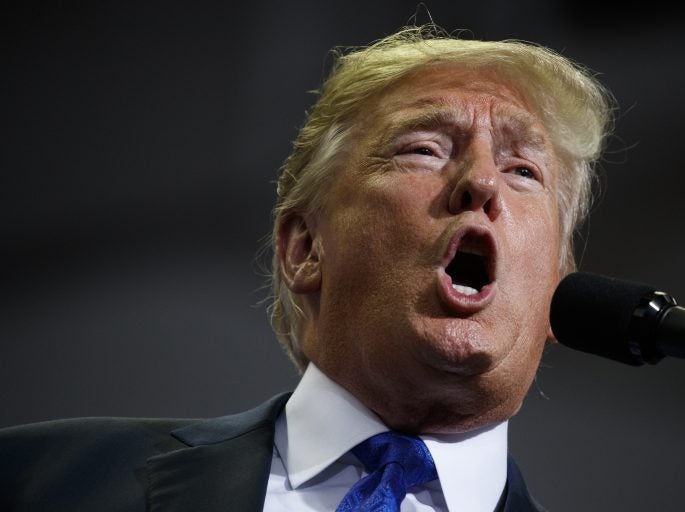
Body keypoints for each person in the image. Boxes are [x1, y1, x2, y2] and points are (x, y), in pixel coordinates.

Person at [0, 25, 612, 511]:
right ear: (304, 249)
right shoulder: (36, 480)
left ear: (559, 293)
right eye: (423, 149)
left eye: (522, 170)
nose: (480, 182)